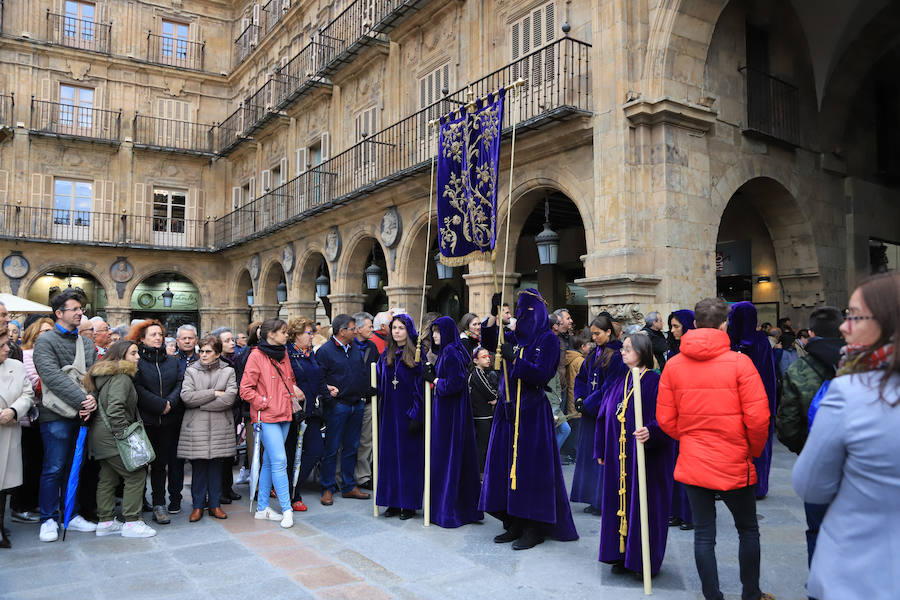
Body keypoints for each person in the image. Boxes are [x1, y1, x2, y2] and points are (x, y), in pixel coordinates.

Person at [792, 271, 899, 600]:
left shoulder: (850, 390)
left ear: (886, 322)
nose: (843, 326)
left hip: (858, 573)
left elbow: (809, 484)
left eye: (854, 316)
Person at [657, 297, 773, 600]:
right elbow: (759, 418)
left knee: (704, 533)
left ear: (695, 324)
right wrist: (753, 450)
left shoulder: (674, 365)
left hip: (695, 458)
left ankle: (712, 595)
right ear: (724, 325)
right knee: (747, 529)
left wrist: (690, 437)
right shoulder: (740, 363)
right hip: (734, 457)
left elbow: (665, 419)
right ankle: (751, 593)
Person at [479, 288, 578, 551]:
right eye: (518, 312)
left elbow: (542, 374)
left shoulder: (547, 339)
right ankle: (514, 521)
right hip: (508, 411)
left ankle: (534, 527)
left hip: (532, 412)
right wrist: (493, 315)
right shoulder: (514, 336)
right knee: (506, 466)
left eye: (527, 312)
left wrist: (515, 359)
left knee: (530, 470)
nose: (522, 317)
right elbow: (490, 341)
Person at [595, 333, 674, 576]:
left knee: (644, 507)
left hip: (646, 460)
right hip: (619, 459)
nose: (623, 351)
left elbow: (669, 419)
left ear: (642, 352)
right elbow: (604, 415)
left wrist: (652, 432)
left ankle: (643, 561)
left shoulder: (654, 382)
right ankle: (621, 555)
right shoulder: (621, 381)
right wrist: (600, 447)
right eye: (624, 348)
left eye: (628, 348)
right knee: (619, 505)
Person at [774, 306, 842, 572]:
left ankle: (820, 584)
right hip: (858, 463)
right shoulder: (862, 362)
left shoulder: (800, 369)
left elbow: (788, 425)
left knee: (817, 530)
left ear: (811, 333)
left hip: (818, 460)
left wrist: (805, 449)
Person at [32, 290, 99, 542]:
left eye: (81, 308)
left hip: (82, 414)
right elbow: (52, 377)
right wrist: (83, 400)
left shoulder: (88, 343)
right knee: (54, 467)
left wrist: (93, 399)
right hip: (55, 416)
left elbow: (95, 375)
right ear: (59, 313)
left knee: (76, 466)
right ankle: (48, 518)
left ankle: (70, 514)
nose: (80, 312)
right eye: (74, 309)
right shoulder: (45, 342)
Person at [85, 339, 156, 538]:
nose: (138, 357)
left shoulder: (104, 375)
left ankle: (106, 521)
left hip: (100, 435)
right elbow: (115, 408)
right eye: (133, 353)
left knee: (108, 476)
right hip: (113, 436)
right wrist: (124, 434)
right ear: (121, 355)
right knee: (136, 474)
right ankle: (132, 522)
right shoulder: (121, 377)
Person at [240, 319, 301, 529]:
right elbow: (245, 389)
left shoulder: (283, 353)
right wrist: (264, 402)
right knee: (279, 460)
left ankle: (262, 508)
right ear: (271, 334)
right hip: (266, 416)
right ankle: (287, 509)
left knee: (269, 461)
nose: (287, 335)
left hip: (284, 413)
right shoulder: (256, 355)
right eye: (283, 332)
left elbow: (290, 378)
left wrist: (291, 393)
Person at [426, 316, 483, 527]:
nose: (434, 335)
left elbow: (454, 384)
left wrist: (434, 380)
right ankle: (464, 508)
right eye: (433, 332)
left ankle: (448, 509)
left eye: (438, 332)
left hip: (450, 413)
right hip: (454, 411)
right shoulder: (451, 351)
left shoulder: (450, 352)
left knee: (448, 456)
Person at [570, 315, 626, 516]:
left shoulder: (617, 356)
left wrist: (589, 404)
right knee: (588, 456)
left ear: (608, 332)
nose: (594, 338)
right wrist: (578, 399)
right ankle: (592, 498)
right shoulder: (595, 353)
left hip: (604, 414)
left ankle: (603, 500)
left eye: (598, 333)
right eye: (592, 334)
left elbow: (610, 387)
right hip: (589, 413)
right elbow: (581, 378)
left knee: (601, 456)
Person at [129, 319, 184, 525]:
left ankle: (159, 503)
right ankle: (138, 502)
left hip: (168, 421)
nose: (158, 338)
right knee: (141, 464)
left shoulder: (172, 361)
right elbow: (137, 388)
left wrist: (170, 402)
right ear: (142, 339)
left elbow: (180, 382)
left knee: (161, 464)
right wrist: (159, 404)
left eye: (160, 334)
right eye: (153, 335)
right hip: (145, 421)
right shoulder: (137, 361)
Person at [179, 335, 237, 523]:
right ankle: (197, 506)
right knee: (199, 468)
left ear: (217, 353)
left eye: (208, 351)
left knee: (216, 468)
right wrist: (213, 393)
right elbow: (187, 397)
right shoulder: (191, 371)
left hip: (220, 426)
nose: (203, 355)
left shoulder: (228, 371)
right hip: (197, 427)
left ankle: (215, 504)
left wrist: (201, 403)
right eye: (201, 351)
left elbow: (229, 398)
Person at [315, 314, 370, 505]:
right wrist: (331, 402)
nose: (356, 331)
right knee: (332, 448)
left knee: (352, 447)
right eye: (352, 328)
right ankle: (327, 488)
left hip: (357, 404)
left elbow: (361, 373)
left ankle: (348, 486)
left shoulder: (355, 349)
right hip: (338, 407)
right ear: (342, 331)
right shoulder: (325, 351)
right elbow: (319, 380)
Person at [376, 314, 425, 520]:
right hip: (389, 414)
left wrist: (416, 414)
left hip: (407, 414)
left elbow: (420, 388)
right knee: (389, 457)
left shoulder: (417, 356)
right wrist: (373, 389)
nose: (396, 331)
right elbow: (380, 381)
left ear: (408, 331)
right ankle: (392, 502)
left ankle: (408, 503)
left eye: (401, 328)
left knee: (408, 459)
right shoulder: (385, 355)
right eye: (394, 328)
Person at [727, 302, 777, 499]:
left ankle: (757, 485)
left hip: (756, 405)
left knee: (759, 447)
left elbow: (767, 377)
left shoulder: (758, 343)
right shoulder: (734, 342)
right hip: (742, 405)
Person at [285, 316, 331, 512]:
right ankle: (292, 494)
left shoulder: (309, 353)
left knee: (315, 451)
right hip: (292, 412)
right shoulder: (286, 353)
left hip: (311, 412)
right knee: (290, 453)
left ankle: (290, 487)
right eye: (309, 333)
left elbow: (318, 378)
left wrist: (328, 395)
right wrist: (292, 388)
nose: (312, 336)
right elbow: (282, 379)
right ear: (296, 334)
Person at [9, 318, 53, 524]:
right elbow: (35, 386)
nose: (49, 334)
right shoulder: (27, 355)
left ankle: (32, 503)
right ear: (34, 334)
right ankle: (21, 507)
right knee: (28, 464)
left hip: (44, 418)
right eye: (44, 331)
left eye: (50, 330)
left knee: (38, 463)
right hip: (29, 419)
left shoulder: (47, 355)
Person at [0, 327, 36, 548]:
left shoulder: (16, 366)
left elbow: (27, 394)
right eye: (2, 346)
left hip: (8, 431)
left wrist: (13, 411)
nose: (7, 349)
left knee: (4, 483)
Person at [665, 309, 695, 529]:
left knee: (689, 469)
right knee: (675, 467)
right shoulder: (674, 351)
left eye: (676, 326)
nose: (673, 330)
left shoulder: (692, 354)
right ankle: (676, 510)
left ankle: (689, 513)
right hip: (675, 417)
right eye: (671, 326)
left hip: (691, 418)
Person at [210, 326, 241, 504]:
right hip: (222, 412)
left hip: (234, 413)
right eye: (228, 340)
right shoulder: (217, 364)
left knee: (230, 455)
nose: (232, 343)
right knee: (220, 456)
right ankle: (219, 490)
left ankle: (228, 488)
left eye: (232, 340)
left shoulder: (235, 360)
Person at [353, 311, 379, 491]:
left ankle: (363, 476)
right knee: (345, 442)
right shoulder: (347, 347)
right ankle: (341, 477)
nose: (373, 329)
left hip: (368, 401)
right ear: (358, 328)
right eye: (370, 326)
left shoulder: (372, 347)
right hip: (349, 401)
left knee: (366, 441)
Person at [468, 346, 498, 472]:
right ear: (475, 360)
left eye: (488, 356)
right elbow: (491, 393)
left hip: (484, 414)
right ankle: (481, 472)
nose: (488, 359)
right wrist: (496, 398)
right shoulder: (477, 373)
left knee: (484, 444)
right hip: (481, 415)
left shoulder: (482, 373)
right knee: (483, 445)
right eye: (483, 357)